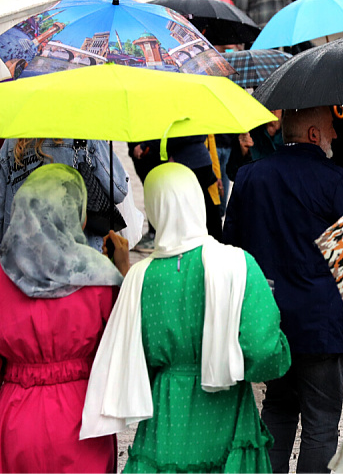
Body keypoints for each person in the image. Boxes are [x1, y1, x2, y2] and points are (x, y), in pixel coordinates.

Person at [81, 162, 291, 473]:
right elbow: (263, 349)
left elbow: (130, 357)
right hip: (227, 415)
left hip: (165, 419)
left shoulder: (140, 278)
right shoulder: (239, 264)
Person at [223, 106, 343, 473]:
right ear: (314, 135)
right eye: (331, 129)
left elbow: (232, 245)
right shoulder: (336, 180)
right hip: (320, 324)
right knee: (321, 420)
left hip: (267, 317)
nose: (335, 135)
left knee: (278, 408)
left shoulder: (250, 176)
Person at [0, 164, 128, 473]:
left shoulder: (3, 276)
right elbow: (125, 346)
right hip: (82, 414)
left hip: (16, 413)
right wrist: (123, 270)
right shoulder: (99, 277)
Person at [0, 138, 128, 252]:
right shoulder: (84, 136)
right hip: (75, 256)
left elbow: (1, 203)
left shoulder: (13, 142)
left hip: (21, 253)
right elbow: (119, 190)